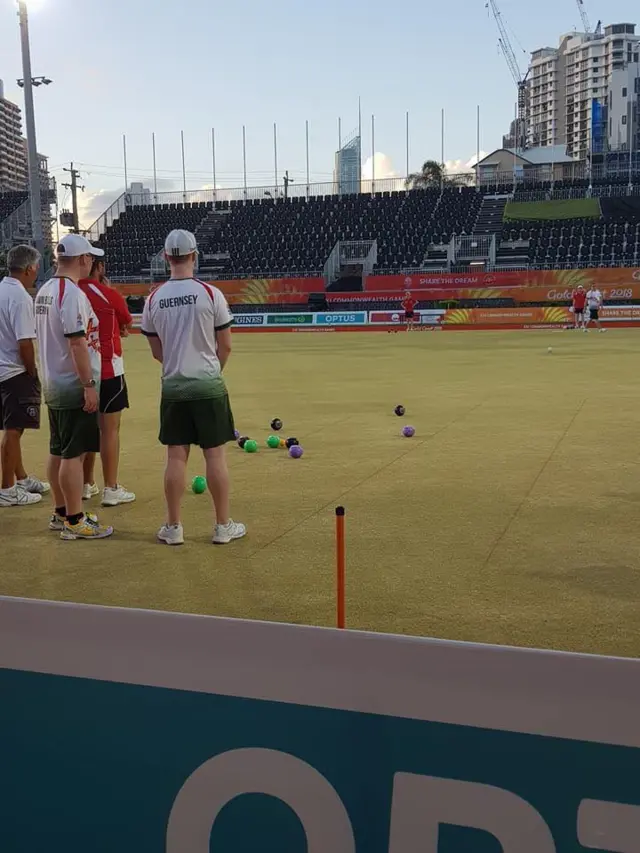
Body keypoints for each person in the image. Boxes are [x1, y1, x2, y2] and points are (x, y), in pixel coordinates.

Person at [141, 229, 245, 546]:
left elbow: (157, 352)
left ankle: (173, 527)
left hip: (173, 386)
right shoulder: (211, 294)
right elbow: (225, 346)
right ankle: (222, 526)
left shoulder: (153, 298)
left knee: (176, 456)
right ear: (194, 255)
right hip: (209, 385)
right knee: (215, 457)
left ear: (166, 258)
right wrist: (211, 372)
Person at [35, 234, 113, 540]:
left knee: (59, 450)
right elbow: (77, 343)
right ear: (82, 260)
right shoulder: (71, 293)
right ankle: (74, 519)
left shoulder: (46, 289)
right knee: (74, 454)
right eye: (90, 258)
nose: (92, 262)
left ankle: (62, 511)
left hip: (54, 382)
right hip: (71, 385)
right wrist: (88, 384)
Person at [78, 256, 135, 506]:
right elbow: (126, 320)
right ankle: (111, 487)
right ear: (98, 267)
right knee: (109, 430)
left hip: (77, 372)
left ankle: (85, 483)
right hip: (108, 370)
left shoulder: (70, 291)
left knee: (83, 429)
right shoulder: (107, 294)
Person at [0, 244, 49, 506]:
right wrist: (32, 372)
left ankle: (20, 478)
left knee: (12, 428)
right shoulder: (19, 297)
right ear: (30, 268)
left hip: (3, 369)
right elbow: (25, 342)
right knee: (14, 430)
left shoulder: (2, 290)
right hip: (15, 371)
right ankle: (7, 489)